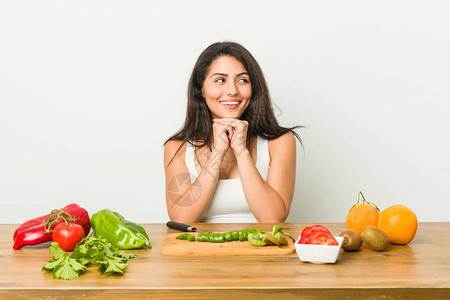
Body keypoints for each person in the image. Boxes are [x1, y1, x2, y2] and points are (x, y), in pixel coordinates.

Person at [164, 41, 301, 223]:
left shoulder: (280, 142)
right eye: (220, 80)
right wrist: (218, 153)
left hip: (260, 249)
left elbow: (273, 218)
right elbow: (181, 218)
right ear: (201, 89)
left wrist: (241, 151)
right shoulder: (177, 148)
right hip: (199, 249)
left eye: (242, 80)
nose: (232, 91)